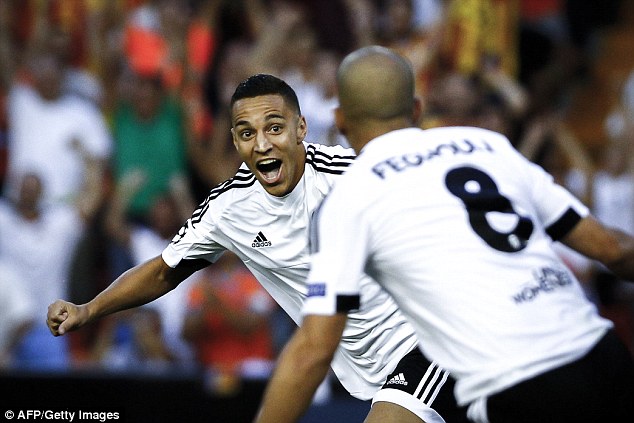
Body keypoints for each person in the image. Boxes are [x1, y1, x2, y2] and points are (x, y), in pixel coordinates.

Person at [47, 73, 468, 423]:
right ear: (235, 142)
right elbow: (163, 269)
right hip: (365, 371)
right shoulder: (228, 208)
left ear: (300, 128)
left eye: (274, 127)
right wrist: (89, 309)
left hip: (427, 340)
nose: (262, 144)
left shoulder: (352, 175)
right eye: (248, 133)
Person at [253, 46, 634, 423]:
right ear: (417, 109)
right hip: (603, 356)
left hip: (518, 382)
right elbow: (614, 249)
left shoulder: (347, 199)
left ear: (339, 119)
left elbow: (313, 352)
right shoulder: (489, 146)